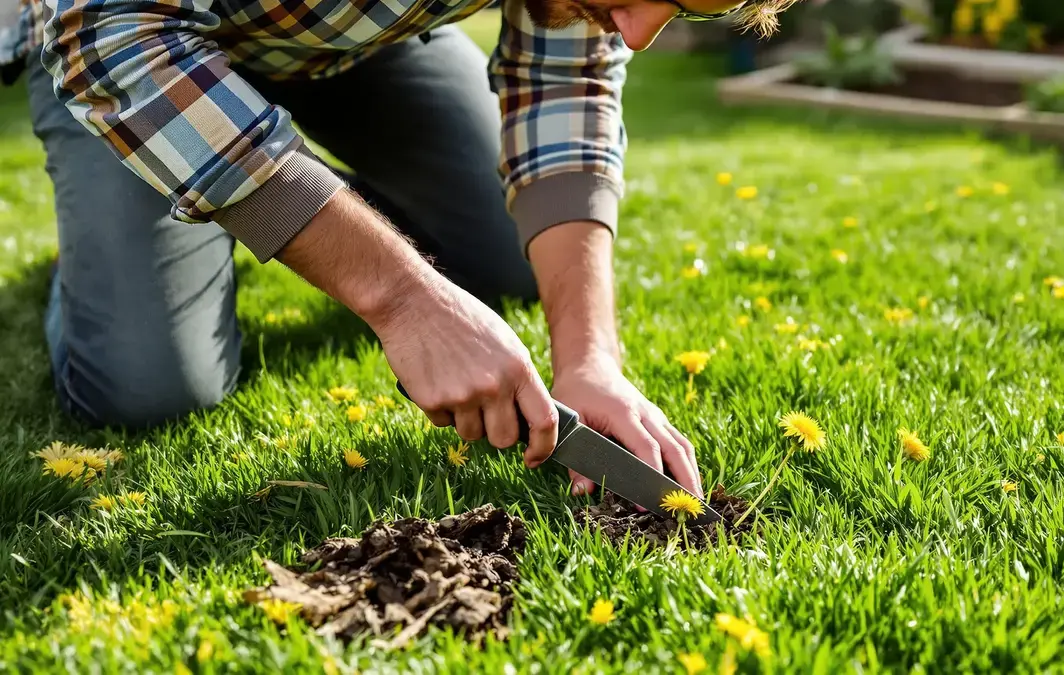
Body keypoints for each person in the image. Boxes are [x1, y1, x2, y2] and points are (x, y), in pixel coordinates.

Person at [0, 0, 793, 497]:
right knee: (148, 389)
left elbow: (570, 83)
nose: (641, 32)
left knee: (516, 259)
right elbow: (103, 30)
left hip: (352, 39)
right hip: (129, 43)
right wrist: (404, 297)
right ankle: (114, 250)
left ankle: (249, 188)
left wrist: (591, 358)